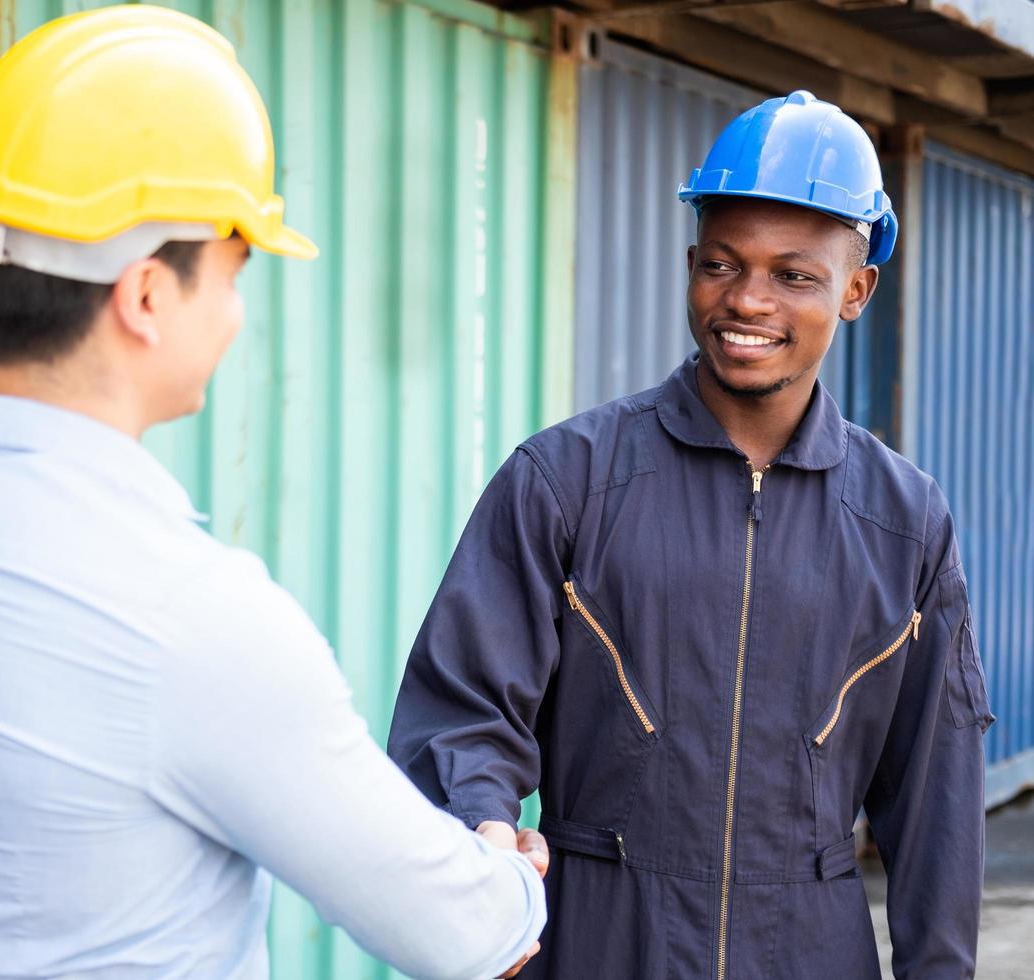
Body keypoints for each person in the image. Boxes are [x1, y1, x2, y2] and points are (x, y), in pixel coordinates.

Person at [0, 6, 546, 979]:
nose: (237, 312)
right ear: (147, 294)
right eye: (233, 272)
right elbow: (460, 932)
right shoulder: (191, 616)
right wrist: (506, 870)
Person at [388, 90, 994, 980]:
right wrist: (480, 834)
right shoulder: (567, 481)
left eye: (794, 274)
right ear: (690, 264)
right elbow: (463, 710)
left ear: (856, 290)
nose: (747, 300)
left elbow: (936, 793)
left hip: (811, 947)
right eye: (720, 264)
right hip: (596, 939)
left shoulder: (903, 522)